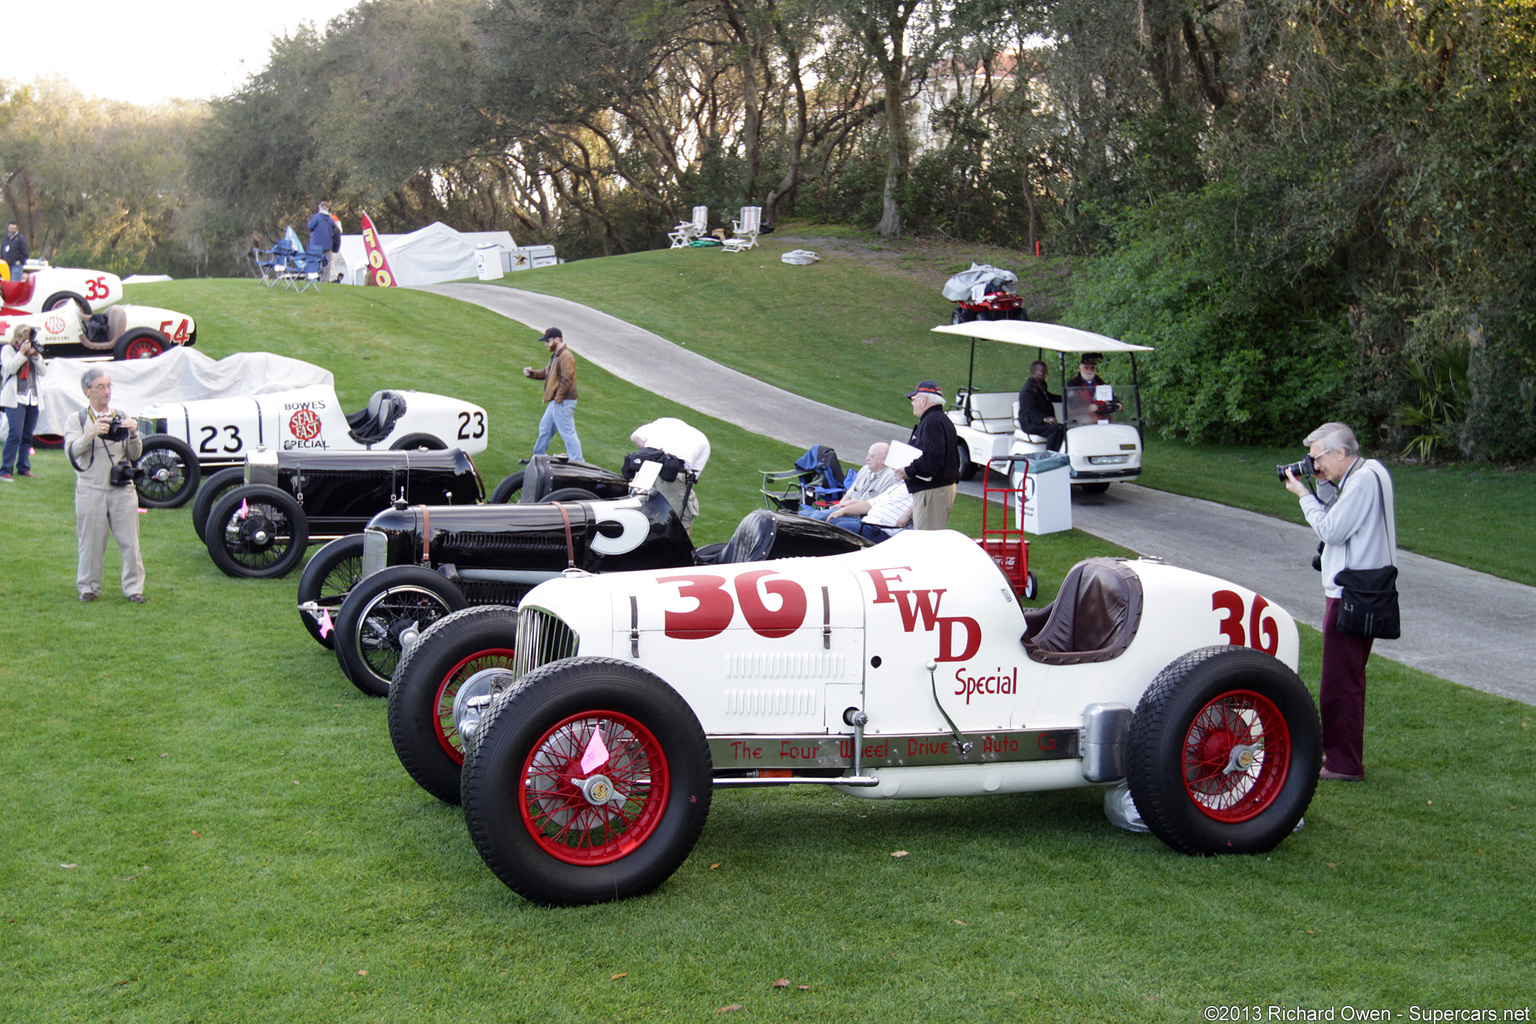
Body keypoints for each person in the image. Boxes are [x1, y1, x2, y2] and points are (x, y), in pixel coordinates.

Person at [1283, 421, 1397, 782]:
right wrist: (1320, 484)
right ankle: (1340, 757)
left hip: (1352, 592)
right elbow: (1343, 513)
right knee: (1347, 677)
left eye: (1319, 458)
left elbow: (1331, 529)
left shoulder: (1361, 481)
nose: (1315, 464)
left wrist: (1303, 495)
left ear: (1341, 453)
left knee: (1339, 682)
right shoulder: (1370, 472)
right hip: (1365, 588)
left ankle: (1343, 764)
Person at [64, 367, 146, 603]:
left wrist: (133, 434)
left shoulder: (119, 415)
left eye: (109, 386)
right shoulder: (77, 420)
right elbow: (72, 453)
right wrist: (90, 434)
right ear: (86, 391)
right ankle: (88, 588)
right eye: (100, 386)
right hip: (91, 489)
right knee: (90, 543)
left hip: (122, 491)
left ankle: (134, 589)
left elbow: (135, 454)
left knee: (131, 543)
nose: (106, 391)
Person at [892, 380, 960, 530]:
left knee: (927, 539)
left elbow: (932, 458)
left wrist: (908, 471)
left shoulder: (932, 422)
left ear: (924, 399)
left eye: (913, 399)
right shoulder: (940, 419)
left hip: (932, 490)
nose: (912, 403)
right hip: (939, 488)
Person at [629, 417, 710, 533]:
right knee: (680, 523)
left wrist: (654, 454)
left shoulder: (664, 422)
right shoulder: (701, 440)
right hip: (673, 474)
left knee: (640, 512)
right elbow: (691, 477)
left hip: (646, 468)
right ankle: (677, 551)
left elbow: (635, 437)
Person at [523, 327, 582, 462]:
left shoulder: (566, 356)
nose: (546, 344)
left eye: (548, 341)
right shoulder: (557, 355)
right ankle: (537, 458)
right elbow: (547, 373)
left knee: (568, 433)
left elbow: (567, 380)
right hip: (557, 401)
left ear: (558, 339)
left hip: (563, 401)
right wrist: (532, 374)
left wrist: (558, 398)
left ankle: (578, 462)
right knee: (545, 429)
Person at [800, 442, 898, 522]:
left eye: (872, 456)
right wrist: (839, 506)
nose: (867, 458)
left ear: (884, 460)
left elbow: (876, 506)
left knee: (817, 517)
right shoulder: (865, 470)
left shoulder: (891, 478)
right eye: (868, 454)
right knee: (809, 514)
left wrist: (844, 509)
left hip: (859, 516)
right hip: (844, 510)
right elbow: (849, 494)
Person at [1, 325, 47, 481]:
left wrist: (35, 356)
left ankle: (23, 467)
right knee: (15, 434)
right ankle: (5, 470)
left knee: (27, 435)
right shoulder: (8, 349)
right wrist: (21, 353)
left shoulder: (33, 351)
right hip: (15, 398)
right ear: (18, 338)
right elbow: (10, 368)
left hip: (32, 397)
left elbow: (43, 372)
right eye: (24, 339)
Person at [819, 480, 913, 543]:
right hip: (868, 523)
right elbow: (869, 504)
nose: (895, 469)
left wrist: (908, 513)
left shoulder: (920, 489)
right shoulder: (899, 485)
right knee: (833, 521)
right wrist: (842, 511)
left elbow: (926, 506)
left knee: (840, 528)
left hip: (885, 533)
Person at [1016, 360, 1065, 451]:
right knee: (1055, 429)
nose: (1046, 374)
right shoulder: (1028, 389)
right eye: (1043, 372)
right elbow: (1029, 411)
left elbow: (1048, 396)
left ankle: (1059, 453)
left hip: (1039, 421)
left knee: (1063, 428)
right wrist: (1045, 419)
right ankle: (1050, 454)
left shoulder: (1041, 385)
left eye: (1046, 371)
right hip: (1030, 422)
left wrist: (1065, 398)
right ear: (1034, 372)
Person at [1066, 352, 1122, 417]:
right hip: (1081, 419)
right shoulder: (1074, 384)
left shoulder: (1101, 384)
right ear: (1080, 369)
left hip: (1102, 418)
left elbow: (1111, 398)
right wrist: (1087, 407)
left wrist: (1117, 404)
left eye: (1092, 368)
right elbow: (1073, 404)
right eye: (1086, 368)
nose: (1089, 370)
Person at [306, 201, 340, 267]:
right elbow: (334, 231)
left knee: (315, 266)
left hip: (316, 246)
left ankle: (316, 277)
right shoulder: (331, 220)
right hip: (328, 246)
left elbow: (310, 227)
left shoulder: (316, 217)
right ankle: (325, 278)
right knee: (327, 267)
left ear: (320, 208)